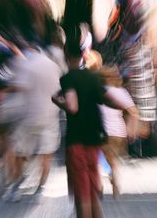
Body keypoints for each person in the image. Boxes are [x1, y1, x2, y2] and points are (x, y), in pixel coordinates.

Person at [52, 27, 122, 218]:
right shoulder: (93, 78)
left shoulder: (68, 79)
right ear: (84, 54)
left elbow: (72, 107)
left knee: (82, 196)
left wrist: (58, 101)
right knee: (92, 193)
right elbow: (111, 100)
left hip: (77, 143)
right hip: (95, 142)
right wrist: (129, 110)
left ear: (66, 54)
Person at [3, 44, 61, 202]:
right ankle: (40, 190)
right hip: (49, 117)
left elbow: (20, 87)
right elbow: (58, 91)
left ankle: (16, 188)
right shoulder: (54, 67)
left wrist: (6, 90)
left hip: (28, 117)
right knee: (46, 155)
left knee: (19, 153)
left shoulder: (28, 65)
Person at [98, 66, 139, 199]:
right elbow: (134, 113)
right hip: (119, 133)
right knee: (113, 162)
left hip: (102, 132)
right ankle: (113, 180)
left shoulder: (98, 91)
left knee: (101, 161)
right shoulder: (122, 92)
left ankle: (103, 184)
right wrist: (131, 129)